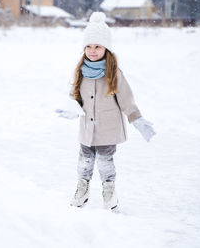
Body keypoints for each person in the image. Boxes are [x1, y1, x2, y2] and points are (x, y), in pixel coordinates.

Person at [57, 12, 156, 210]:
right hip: (87, 128)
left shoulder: (114, 73)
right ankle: (82, 188)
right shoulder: (80, 72)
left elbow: (127, 100)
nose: (92, 51)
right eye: (89, 46)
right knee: (84, 160)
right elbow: (74, 96)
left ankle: (109, 190)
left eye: (97, 46)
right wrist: (71, 109)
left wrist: (137, 119)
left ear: (106, 48)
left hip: (108, 128)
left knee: (104, 160)